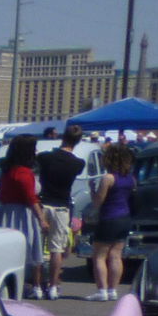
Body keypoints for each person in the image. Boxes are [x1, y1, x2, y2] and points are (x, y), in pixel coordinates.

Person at [0, 134, 53, 298]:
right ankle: (36, 286)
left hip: (8, 212)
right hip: (23, 213)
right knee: (33, 248)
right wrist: (42, 219)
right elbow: (31, 198)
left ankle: (20, 284)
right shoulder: (23, 173)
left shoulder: (7, 171)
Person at [35, 128, 86, 300]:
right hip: (62, 206)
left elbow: (38, 161)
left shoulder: (45, 158)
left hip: (43, 203)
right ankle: (53, 286)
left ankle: (37, 285)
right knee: (57, 249)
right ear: (78, 141)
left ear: (63, 138)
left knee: (39, 248)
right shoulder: (78, 163)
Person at [86, 142, 136, 300]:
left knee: (99, 256)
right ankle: (112, 290)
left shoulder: (108, 178)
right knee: (116, 255)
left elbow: (97, 202)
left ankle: (102, 291)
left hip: (109, 218)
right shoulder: (130, 178)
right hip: (124, 217)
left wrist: (93, 190)